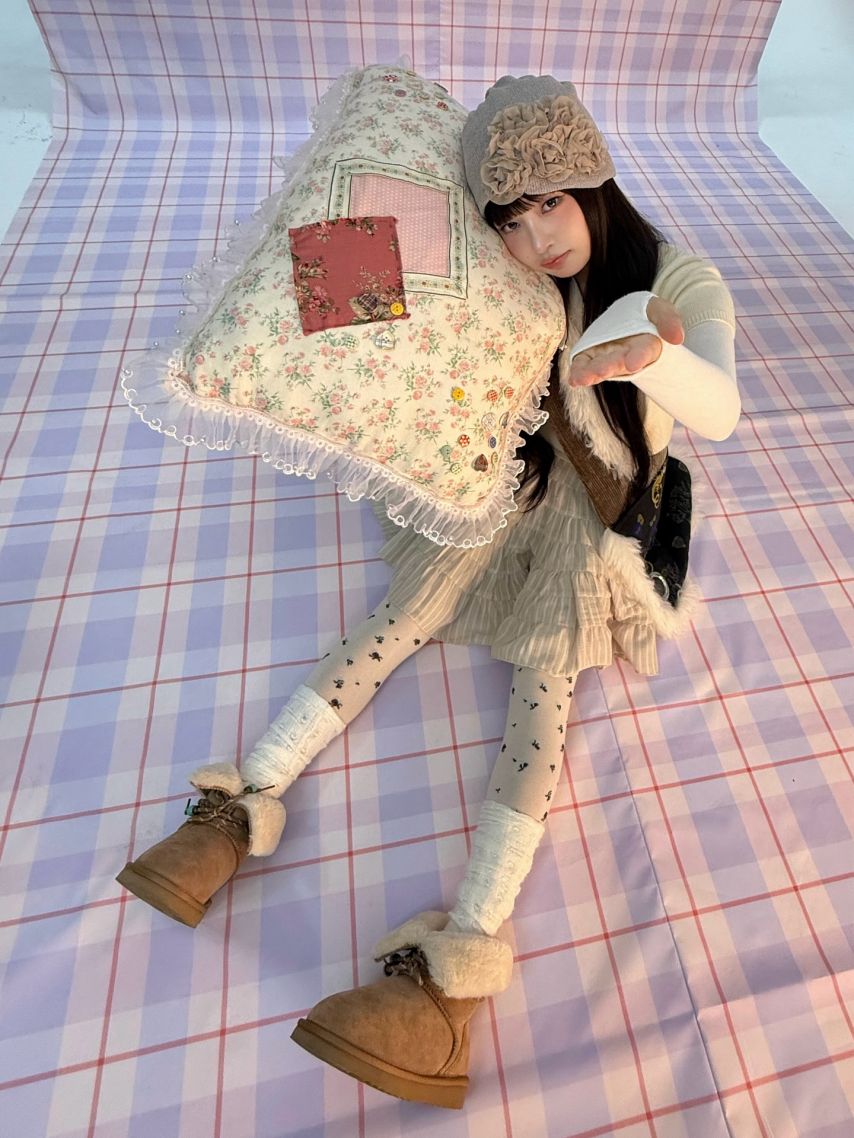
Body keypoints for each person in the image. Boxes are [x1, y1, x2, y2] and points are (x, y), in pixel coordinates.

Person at [116, 75, 740, 1109]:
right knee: (398, 617)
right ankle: (230, 809)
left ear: (593, 180)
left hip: (597, 509)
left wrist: (650, 357)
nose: (536, 240)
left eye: (551, 202)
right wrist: (338, 320)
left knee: (543, 690)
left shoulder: (673, 276)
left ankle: (451, 978)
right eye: (509, 219)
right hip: (499, 470)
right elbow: (388, 290)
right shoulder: (499, 269)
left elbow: (716, 408)